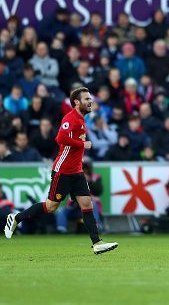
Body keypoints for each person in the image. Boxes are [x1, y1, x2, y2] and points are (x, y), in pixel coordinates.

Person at [4, 87, 118, 255]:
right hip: (62, 171)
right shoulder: (71, 118)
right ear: (77, 102)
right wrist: (82, 144)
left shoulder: (82, 119)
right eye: (86, 99)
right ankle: (15, 218)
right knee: (51, 207)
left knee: (87, 204)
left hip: (77, 171)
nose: (90, 101)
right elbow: (60, 138)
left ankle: (97, 243)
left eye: (90, 98)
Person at [56, 158, 104, 233]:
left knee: (92, 205)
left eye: (85, 168)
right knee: (61, 211)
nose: (84, 171)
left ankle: (95, 228)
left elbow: (98, 191)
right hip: (75, 208)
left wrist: (89, 181)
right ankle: (61, 230)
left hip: (91, 208)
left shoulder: (95, 177)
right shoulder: (72, 177)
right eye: (82, 168)